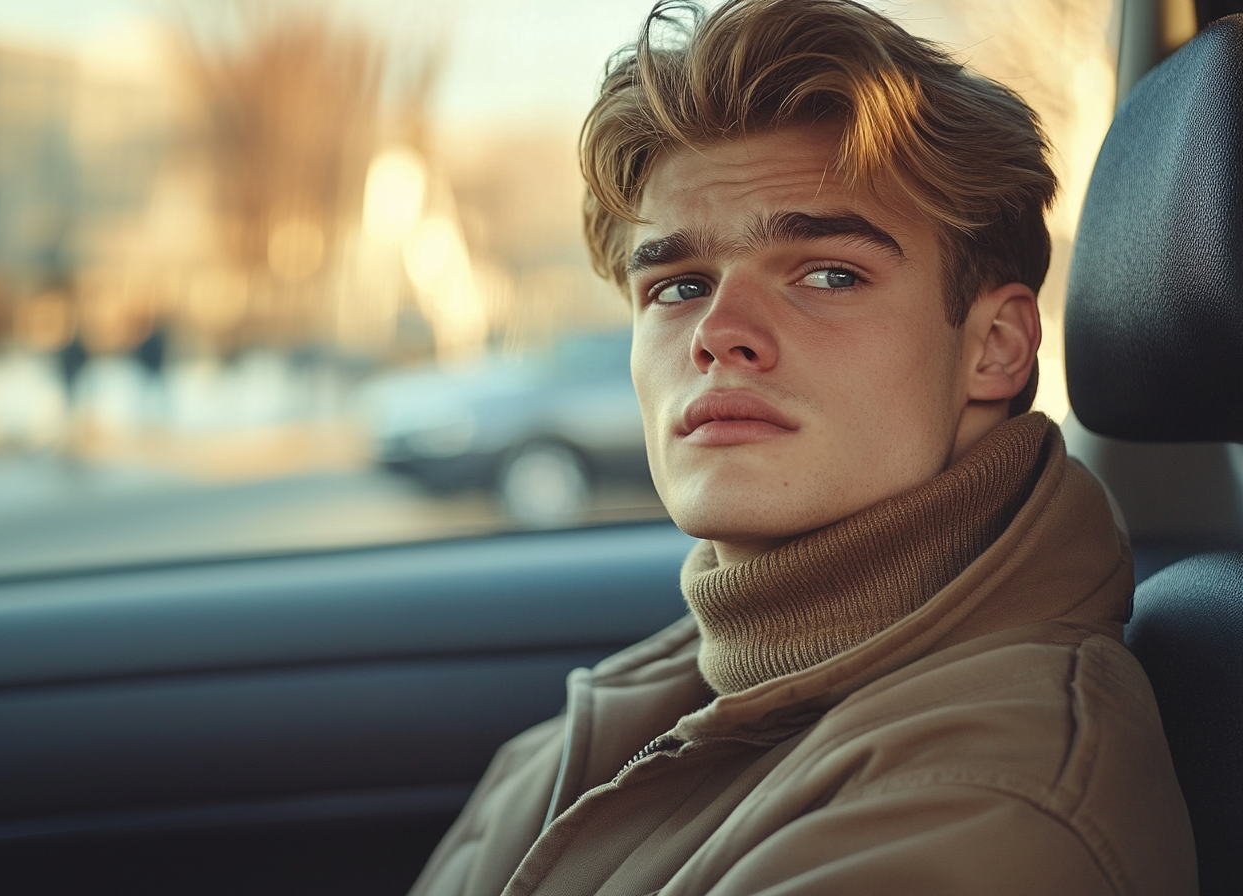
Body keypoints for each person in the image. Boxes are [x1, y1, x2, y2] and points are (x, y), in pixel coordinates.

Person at [408, 1, 1196, 894]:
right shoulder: (664, 696)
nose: (719, 332)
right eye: (678, 285)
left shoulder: (984, 810)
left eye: (829, 274)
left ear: (996, 348)